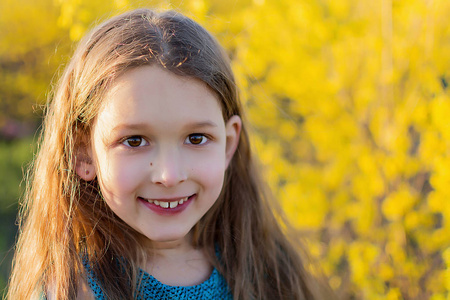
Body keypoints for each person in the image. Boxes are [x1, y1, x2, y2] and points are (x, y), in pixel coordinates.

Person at [7, 8, 332, 300]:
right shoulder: (70, 292)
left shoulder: (267, 275)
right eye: (134, 141)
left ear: (229, 143)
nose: (170, 175)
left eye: (196, 137)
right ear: (84, 154)